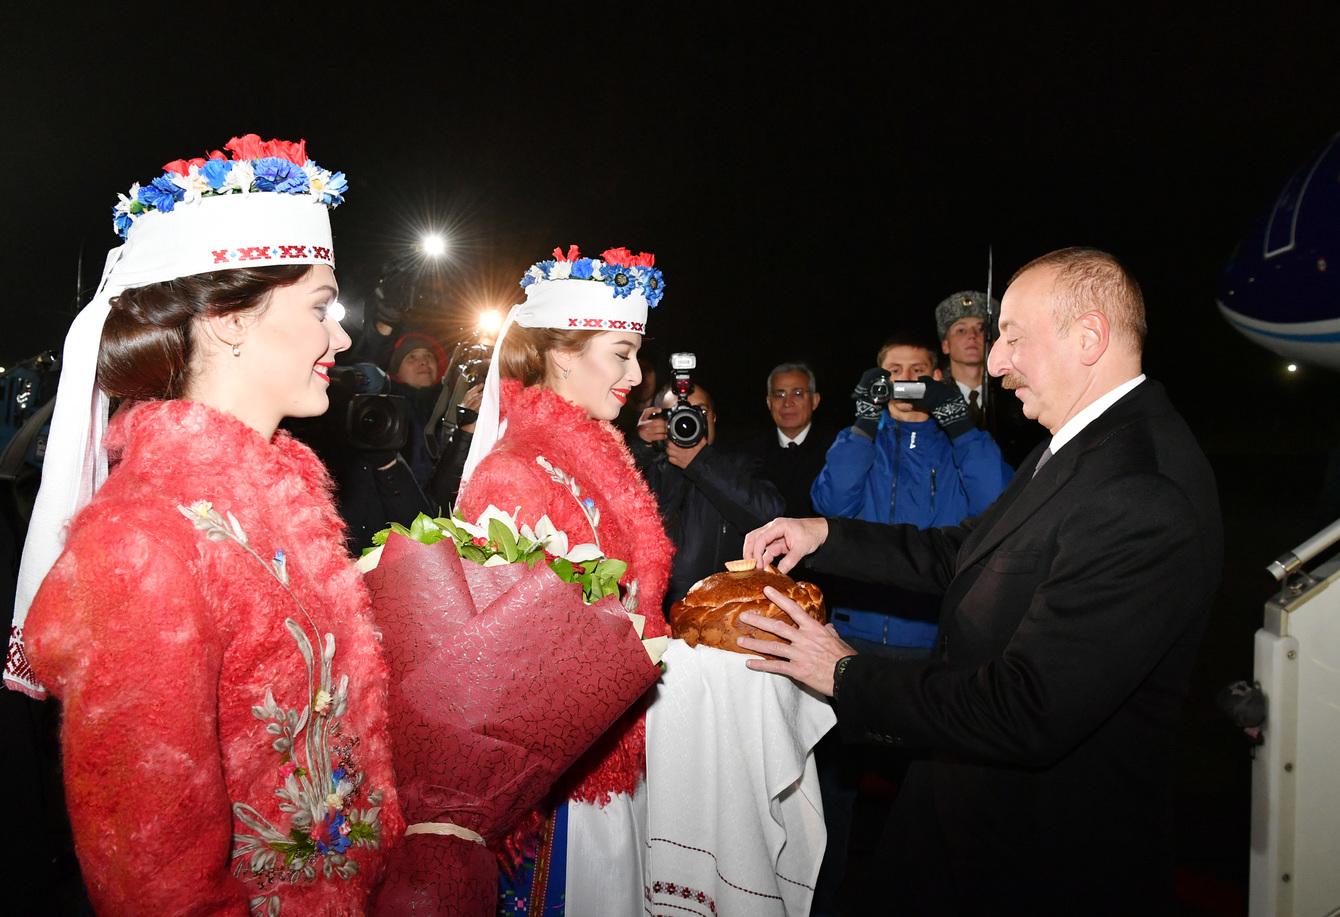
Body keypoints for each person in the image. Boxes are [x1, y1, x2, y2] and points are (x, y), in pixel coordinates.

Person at [739, 248, 1223, 916]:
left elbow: (1026, 707)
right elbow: (967, 548)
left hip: (1038, 862)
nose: (993, 363)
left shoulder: (1142, 488)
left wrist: (846, 674)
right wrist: (825, 533)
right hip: (963, 822)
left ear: (1090, 338)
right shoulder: (1080, 444)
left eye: (1014, 339)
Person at [5, 136, 405, 915]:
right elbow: (154, 885)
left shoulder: (273, 505)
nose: (344, 337)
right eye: (322, 306)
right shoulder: (144, 545)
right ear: (227, 320)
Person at [454, 246, 672, 915]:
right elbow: (495, 672)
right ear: (562, 351)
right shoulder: (514, 473)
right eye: (621, 351)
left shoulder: (593, 464)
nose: (637, 373)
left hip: (611, 756)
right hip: (560, 785)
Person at [806, 333, 1012, 914]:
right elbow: (831, 505)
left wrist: (963, 427)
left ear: (938, 378)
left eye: (917, 370)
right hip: (855, 637)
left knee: (926, 797)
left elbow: (1000, 507)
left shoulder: (955, 447)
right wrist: (864, 426)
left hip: (929, 645)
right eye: (891, 371)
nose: (903, 381)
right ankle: (826, 901)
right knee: (835, 794)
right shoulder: (865, 440)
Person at [631, 380, 785, 613]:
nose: (687, 420)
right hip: (651, 615)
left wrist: (700, 463)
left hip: (719, 615)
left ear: (714, 418)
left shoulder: (740, 464)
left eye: (700, 411)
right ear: (659, 420)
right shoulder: (645, 467)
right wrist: (640, 445)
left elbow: (771, 516)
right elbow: (598, 500)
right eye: (676, 413)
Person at [936, 289, 1043, 467]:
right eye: (961, 330)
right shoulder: (935, 399)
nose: (972, 335)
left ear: (993, 342)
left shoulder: (1018, 398)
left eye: (981, 329)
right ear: (945, 345)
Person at [736, 362, 833, 518]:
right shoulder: (748, 454)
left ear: (815, 401)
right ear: (769, 403)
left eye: (798, 393)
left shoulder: (835, 451)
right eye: (779, 395)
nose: (788, 403)